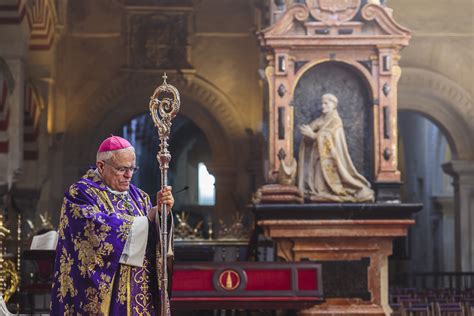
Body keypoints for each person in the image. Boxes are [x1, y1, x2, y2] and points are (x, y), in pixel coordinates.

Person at [50, 135, 174, 315]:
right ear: (101, 166)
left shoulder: (140, 197)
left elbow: (154, 238)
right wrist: (146, 220)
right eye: (122, 169)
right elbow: (96, 231)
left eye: (132, 168)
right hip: (109, 297)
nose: (129, 175)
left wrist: (161, 214)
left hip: (141, 292)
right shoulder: (80, 193)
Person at [298, 93, 374, 202]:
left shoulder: (335, 121)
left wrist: (313, 135)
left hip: (332, 161)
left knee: (322, 189)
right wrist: (307, 131)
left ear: (333, 105)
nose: (322, 106)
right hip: (319, 160)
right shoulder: (322, 119)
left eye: (325, 103)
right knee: (318, 188)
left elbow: (326, 136)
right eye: (322, 103)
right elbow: (313, 127)